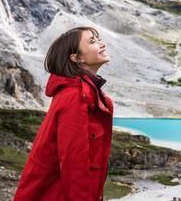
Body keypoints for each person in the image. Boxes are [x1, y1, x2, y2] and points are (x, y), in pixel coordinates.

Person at [13, 26, 113, 201]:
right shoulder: (75, 96)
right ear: (76, 57)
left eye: (98, 39)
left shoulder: (87, 94)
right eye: (92, 41)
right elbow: (74, 163)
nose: (102, 44)